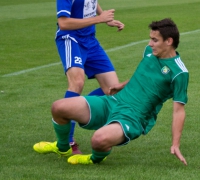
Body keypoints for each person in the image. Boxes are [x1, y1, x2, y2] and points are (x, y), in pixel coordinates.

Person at [33, 18, 189, 166]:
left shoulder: (179, 73)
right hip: (113, 102)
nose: (150, 44)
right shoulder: (150, 51)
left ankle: (94, 159)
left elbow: (178, 111)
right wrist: (121, 85)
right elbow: (145, 75)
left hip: (133, 117)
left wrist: (175, 144)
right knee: (59, 107)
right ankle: (63, 147)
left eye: (155, 40)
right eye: (150, 39)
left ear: (169, 41)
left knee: (98, 140)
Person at [55, 0, 124, 154]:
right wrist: (99, 20)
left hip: (90, 40)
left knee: (113, 90)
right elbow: (63, 23)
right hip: (71, 39)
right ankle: (67, 142)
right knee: (76, 83)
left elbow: (91, 0)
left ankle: (81, 108)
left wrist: (105, 17)